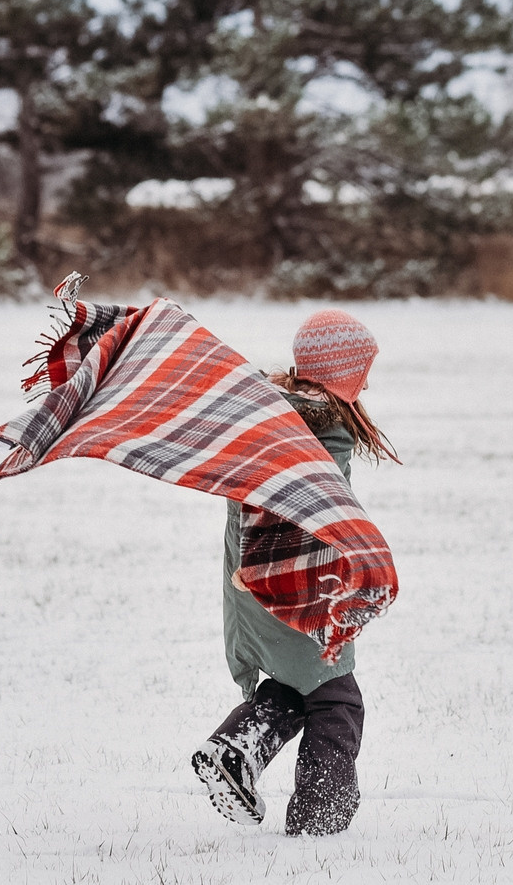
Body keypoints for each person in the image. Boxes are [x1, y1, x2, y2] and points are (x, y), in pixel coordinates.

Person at [190, 310, 398, 835]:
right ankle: (319, 820)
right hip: (294, 585)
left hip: (262, 580)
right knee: (337, 700)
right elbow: (288, 508)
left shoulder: (274, 417)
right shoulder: (319, 428)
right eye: (361, 371)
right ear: (340, 373)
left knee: (299, 684)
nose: (367, 383)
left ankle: (234, 751)